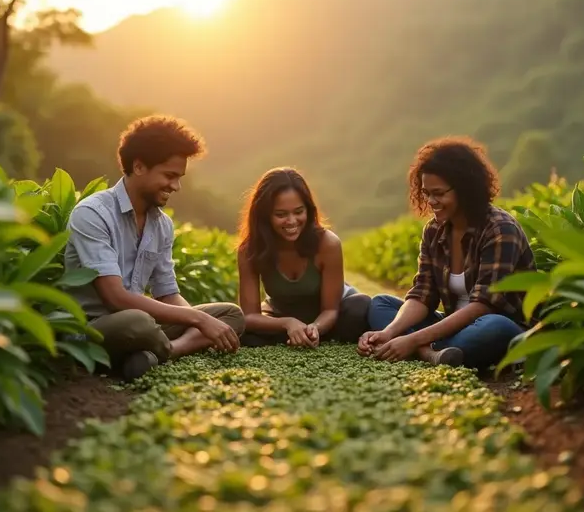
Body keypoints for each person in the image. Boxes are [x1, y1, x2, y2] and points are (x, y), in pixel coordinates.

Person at [63, 115, 245, 380]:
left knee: (230, 314)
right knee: (139, 321)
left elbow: (168, 293)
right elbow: (115, 297)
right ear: (138, 167)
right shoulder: (92, 213)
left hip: (142, 324)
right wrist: (198, 322)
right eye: (169, 176)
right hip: (95, 327)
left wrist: (202, 319)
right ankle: (162, 350)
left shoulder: (162, 225)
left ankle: (159, 353)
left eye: (179, 177)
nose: (176, 186)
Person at [358, 137, 535, 369]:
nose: (431, 201)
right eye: (426, 193)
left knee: (493, 327)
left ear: (465, 189)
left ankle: (423, 349)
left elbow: (483, 305)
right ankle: (433, 354)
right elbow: (423, 294)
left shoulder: (500, 229)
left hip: (495, 325)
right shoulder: (434, 231)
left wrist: (412, 339)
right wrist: (389, 331)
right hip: (452, 327)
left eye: (439, 193)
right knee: (381, 304)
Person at [236, 167, 371, 348]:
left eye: (298, 212)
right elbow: (250, 316)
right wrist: (288, 323)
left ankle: (308, 336)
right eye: (281, 214)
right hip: (282, 318)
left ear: (308, 210)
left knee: (359, 308)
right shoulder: (249, 250)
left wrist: (315, 328)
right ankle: (297, 335)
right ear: (264, 216)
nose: (291, 221)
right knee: (243, 333)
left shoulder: (328, 244)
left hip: (329, 317)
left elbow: (330, 310)